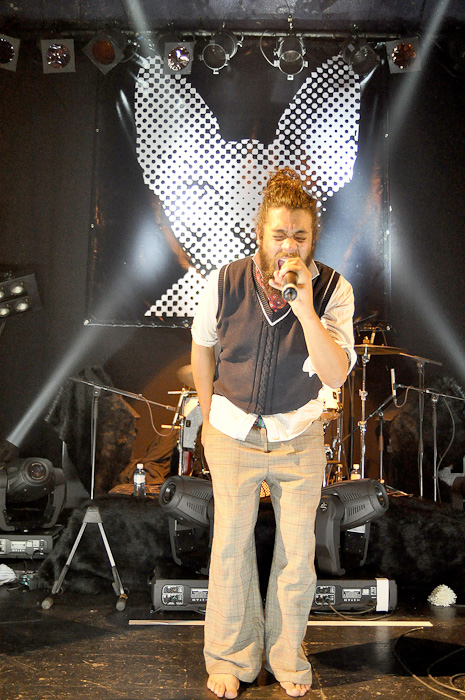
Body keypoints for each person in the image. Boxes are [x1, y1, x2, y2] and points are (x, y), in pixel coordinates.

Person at [191, 167, 356, 699]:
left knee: (296, 554)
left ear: (312, 240)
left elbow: (336, 374)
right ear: (260, 233)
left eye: (300, 236)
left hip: (298, 432)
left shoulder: (333, 290)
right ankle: (231, 659)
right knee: (230, 548)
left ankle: (286, 656)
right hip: (232, 428)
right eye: (280, 234)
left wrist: (306, 309)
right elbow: (202, 347)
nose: (290, 246)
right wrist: (208, 415)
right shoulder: (224, 281)